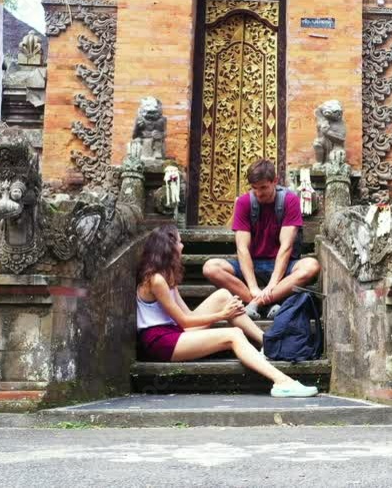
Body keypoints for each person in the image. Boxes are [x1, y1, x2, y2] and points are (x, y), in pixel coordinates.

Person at [136, 225, 317, 397]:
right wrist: (223, 316)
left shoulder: (168, 276)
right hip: (160, 342)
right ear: (169, 247)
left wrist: (225, 311)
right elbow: (184, 321)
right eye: (179, 242)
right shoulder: (156, 279)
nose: (182, 246)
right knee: (234, 335)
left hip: (174, 332)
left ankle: (267, 343)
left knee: (223, 295)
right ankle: (282, 381)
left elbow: (189, 316)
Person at [202, 158, 321, 319]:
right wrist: (253, 287)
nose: (259, 193)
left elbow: (286, 247)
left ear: (275, 182)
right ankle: (268, 302)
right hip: (252, 265)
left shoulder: (290, 200)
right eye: (254, 188)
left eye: (263, 187)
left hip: (282, 267)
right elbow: (242, 249)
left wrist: (272, 285)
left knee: (311, 266)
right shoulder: (244, 202)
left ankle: (256, 304)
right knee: (211, 267)